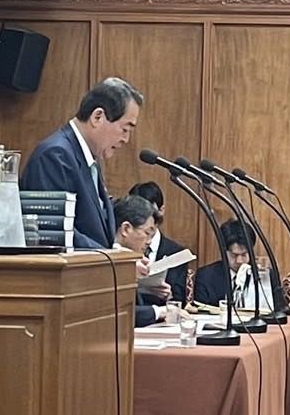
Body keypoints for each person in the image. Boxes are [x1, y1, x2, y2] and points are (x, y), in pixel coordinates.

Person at [21, 78, 142, 251]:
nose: (126, 139)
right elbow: (56, 233)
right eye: (125, 129)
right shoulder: (55, 155)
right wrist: (111, 258)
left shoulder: (88, 157)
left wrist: (117, 253)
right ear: (97, 117)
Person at [113, 196, 182, 328]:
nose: (149, 242)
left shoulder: (132, 261)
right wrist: (159, 311)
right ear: (126, 229)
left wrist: (148, 289)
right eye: (147, 233)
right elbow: (118, 313)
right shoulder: (107, 264)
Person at [194, 218, 283, 311]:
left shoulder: (266, 276)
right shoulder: (205, 277)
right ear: (224, 252)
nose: (239, 261)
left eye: (244, 254)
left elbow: (279, 311)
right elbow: (201, 313)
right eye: (234, 255)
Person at [128, 181, 190, 301]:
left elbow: (179, 300)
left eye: (148, 211)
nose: (143, 217)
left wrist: (169, 296)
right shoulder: (122, 248)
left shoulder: (176, 253)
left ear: (161, 210)